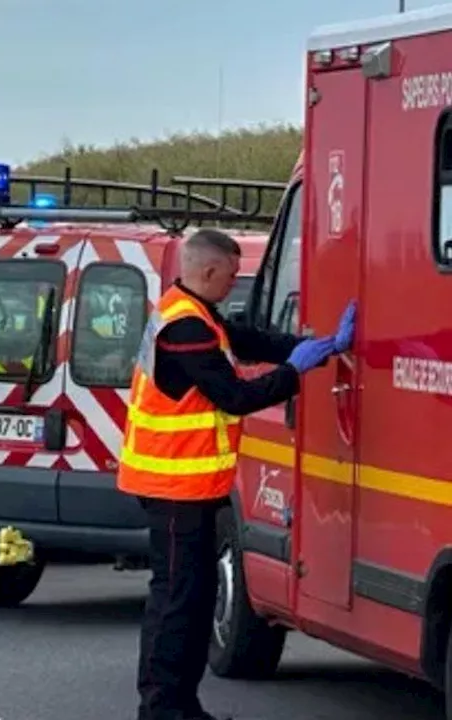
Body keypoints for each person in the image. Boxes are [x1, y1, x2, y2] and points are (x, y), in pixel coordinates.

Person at [117, 228, 355, 720]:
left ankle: (181, 707)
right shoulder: (184, 329)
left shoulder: (195, 314)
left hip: (188, 488)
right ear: (208, 271)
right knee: (177, 604)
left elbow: (247, 339)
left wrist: (319, 347)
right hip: (174, 488)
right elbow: (236, 396)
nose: (234, 283)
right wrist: (295, 371)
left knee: (192, 600)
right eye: (230, 275)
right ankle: (162, 710)